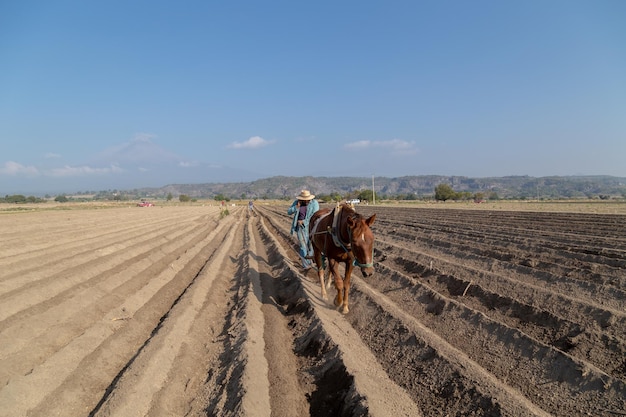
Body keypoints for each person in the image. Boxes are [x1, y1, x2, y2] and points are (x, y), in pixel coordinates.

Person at [287, 189, 319, 269]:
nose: (305, 201)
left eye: (307, 199)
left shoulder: (314, 203)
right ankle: (306, 265)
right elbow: (289, 212)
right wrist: (296, 207)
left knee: (311, 246)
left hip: (311, 226)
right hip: (300, 228)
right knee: (303, 246)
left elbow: (314, 216)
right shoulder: (297, 202)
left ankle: (311, 261)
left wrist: (304, 221)